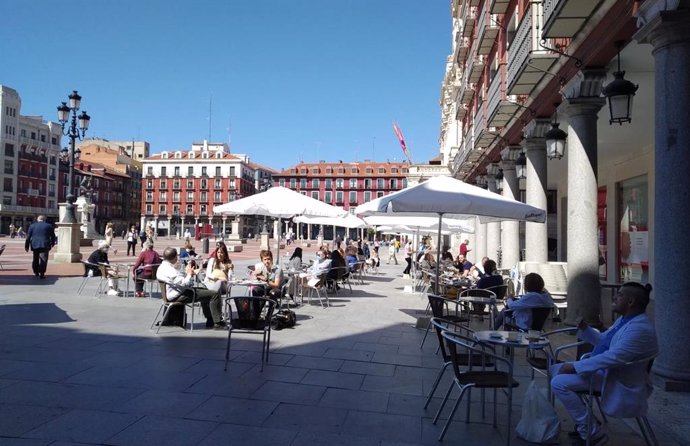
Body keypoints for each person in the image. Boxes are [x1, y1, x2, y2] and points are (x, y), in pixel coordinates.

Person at [550, 282, 658, 444]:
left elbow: (614, 357)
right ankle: (587, 421)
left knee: (559, 382)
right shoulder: (625, 320)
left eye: (620, 295)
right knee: (554, 369)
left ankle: (591, 431)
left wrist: (574, 366)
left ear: (630, 302)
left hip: (618, 379)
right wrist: (586, 329)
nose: (614, 297)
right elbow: (605, 341)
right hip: (606, 372)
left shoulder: (640, 329)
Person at [156, 247, 224, 329]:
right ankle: (217, 322)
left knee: (206, 292)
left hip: (175, 292)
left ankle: (210, 319)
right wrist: (189, 274)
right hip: (179, 295)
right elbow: (186, 283)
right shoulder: (170, 270)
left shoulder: (162, 267)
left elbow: (178, 281)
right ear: (174, 258)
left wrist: (189, 273)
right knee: (214, 294)